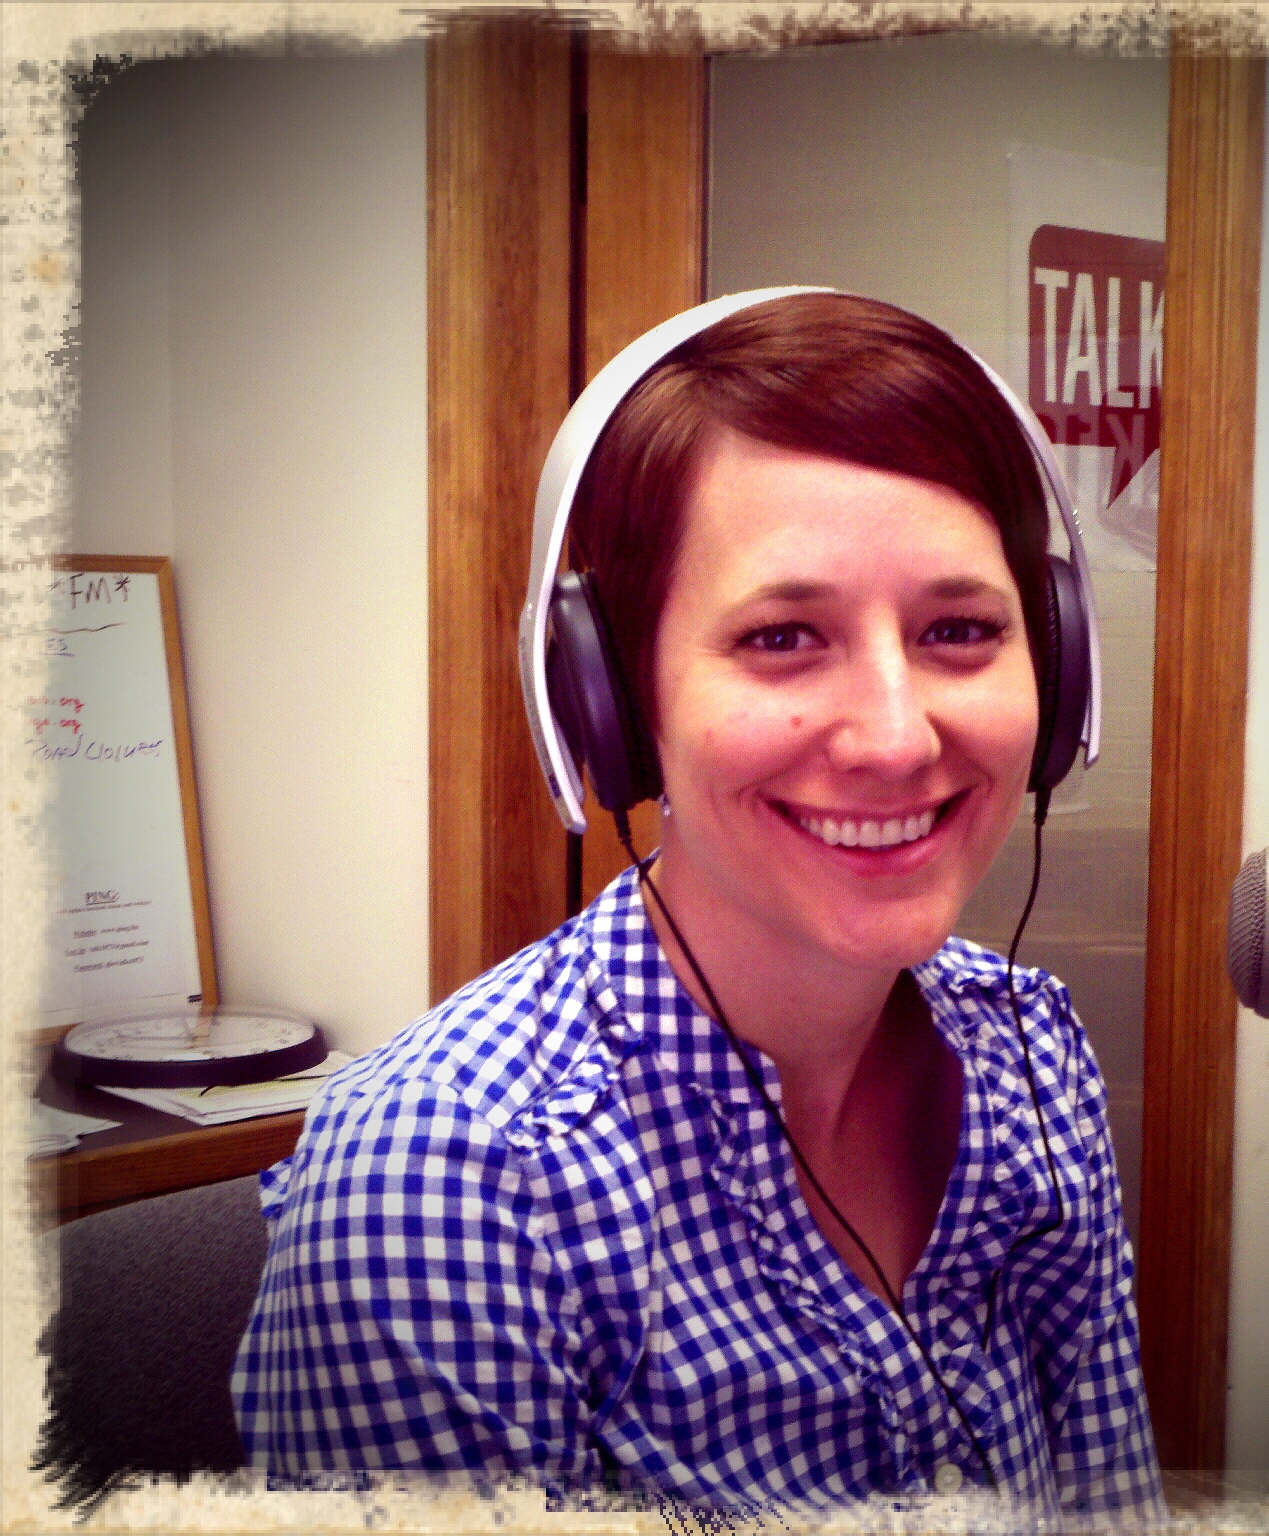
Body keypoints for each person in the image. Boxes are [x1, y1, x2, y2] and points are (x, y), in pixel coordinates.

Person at [232, 293, 1162, 1518]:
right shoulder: (446, 1188)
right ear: (613, 702)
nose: (895, 737)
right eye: (782, 637)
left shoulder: (1029, 1050)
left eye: (959, 629)